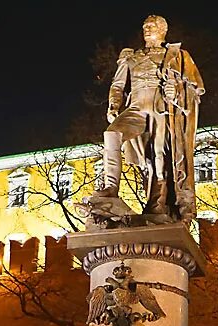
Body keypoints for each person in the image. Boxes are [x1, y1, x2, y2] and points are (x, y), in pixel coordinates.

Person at [87, 14, 204, 223]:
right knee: (112, 133)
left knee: (159, 156)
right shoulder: (130, 56)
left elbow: (194, 89)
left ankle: (157, 203)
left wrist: (176, 91)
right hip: (137, 108)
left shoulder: (178, 55)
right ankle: (110, 189)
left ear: (163, 30)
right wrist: (114, 104)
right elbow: (118, 84)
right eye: (144, 26)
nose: (147, 29)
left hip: (161, 109)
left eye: (151, 26)